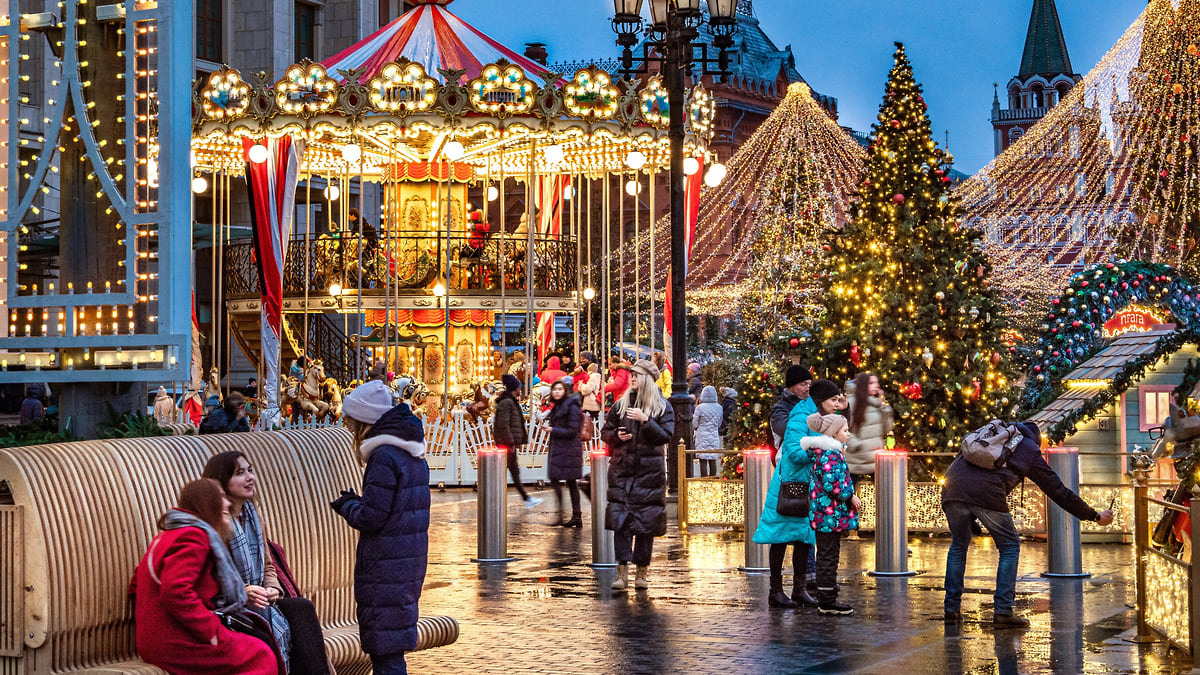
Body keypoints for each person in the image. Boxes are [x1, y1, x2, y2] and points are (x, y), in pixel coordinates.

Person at [941, 420, 1114, 628]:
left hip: (951, 488)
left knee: (959, 545)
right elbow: (1058, 491)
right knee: (1010, 546)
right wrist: (1094, 516)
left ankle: (951, 609)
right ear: (1036, 440)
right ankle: (1003, 611)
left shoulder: (994, 435)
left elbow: (969, 474)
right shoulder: (1029, 449)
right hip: (986, 494)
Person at [331, 380, 431, 675]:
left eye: (352, 423)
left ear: (364, 422)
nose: (350, 430)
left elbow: (371, 518)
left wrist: (347, 505)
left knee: (386, 658)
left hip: (384, 568)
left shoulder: (383, 457)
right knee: (391, 653)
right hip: (406, 564)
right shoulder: (411, 454)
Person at [133, 479, 278, 675]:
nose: (227, 504)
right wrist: (210, 631)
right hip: (174, 642)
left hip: (157, 639)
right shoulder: (193, 536)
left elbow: (136, 584)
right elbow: (176, 591)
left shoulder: (168, 534)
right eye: (221, 498)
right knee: (259, 655)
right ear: (207, 503)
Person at [201, 452, 296, 673]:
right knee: (267, 624)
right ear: (222, 482)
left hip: (260, 601)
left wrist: (272, 588)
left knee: (302, 610)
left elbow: (268, 565)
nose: (250, 478)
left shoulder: (254, 516)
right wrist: (243, 590)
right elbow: (209, 576)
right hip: (228, 608)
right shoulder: (214, 522)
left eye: (250, 470)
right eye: (240, 473)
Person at [602, 359, 675, 592]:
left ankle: (641, 573)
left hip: (648, 474)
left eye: (637, 376)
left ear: (647, 380)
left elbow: (665, 435)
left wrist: (646, 421)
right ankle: (621, 572)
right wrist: (616, 435)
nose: (632, 379)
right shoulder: (620, 406)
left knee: (646, 525)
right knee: (621, 523)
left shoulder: (662, 406)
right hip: (622, 472)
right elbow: (605, 432)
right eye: (631, 376)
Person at [803, 413, 860, 615]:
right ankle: (827, 600)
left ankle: (827, 594)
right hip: (828, 515)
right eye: (845, 430)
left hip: (826, 516)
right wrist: (850, 496)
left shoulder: (827, 452)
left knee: (828, 554)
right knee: (828, 556)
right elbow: (832, 483)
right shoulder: (831, 454)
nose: (848, 434)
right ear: (834, 433)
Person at [493, 374, 543, 509]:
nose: (520, 390)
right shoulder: (507, 402)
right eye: (519, 387)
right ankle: (525, 498)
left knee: (512, 470)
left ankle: (525, 498)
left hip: (507, 443)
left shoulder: (509, 401)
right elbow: (504, 424)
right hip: (507, 444)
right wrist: (510, 443)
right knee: (511, 470)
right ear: (514, 388)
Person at [545, 380, 584, 527]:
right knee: (556, 480)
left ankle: (576, 515)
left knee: (571, 482)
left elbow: (573, 429)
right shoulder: (558, 406)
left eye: (559, 389)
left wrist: (553, 430)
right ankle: (564, 514)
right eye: (554, 389)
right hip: (560, 449)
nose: (556, 392)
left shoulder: (572, 406)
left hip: (569, 449)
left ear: (565, 390)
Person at [845, 372, 893, 482]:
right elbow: (843, 427)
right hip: (856, 459)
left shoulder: (877, 404)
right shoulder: (852, 402)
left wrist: (884, 408)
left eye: (877, 383)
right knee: (850, 492)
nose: (876, 386)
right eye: (871, 383)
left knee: (884, 490)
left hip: (875, 459)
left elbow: (887, 428)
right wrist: (857, 445)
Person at [770, 365, 813, 450]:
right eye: (803, 384)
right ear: (791, 386)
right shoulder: (780, 408)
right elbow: (789, 430)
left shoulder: (812, 404)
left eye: (809, 384)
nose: (808, 388)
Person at [693, 386, 724, 477]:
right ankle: (713, 480)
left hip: (702, 435)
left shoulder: (699, 408)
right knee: (712, 459)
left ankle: (704, 480)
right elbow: (719, 423)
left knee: (703, 459)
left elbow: (694, 423)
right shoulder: (719, 408)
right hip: (714, 435)